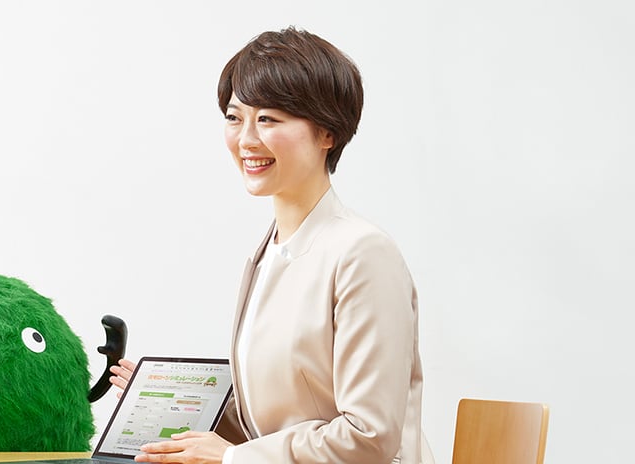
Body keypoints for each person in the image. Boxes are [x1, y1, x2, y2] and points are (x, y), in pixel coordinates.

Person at [111, 27, 435, 464]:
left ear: (327, 132)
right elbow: (269, 428)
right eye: (235, 117)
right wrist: (171, 402)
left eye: (268, 119)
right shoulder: (268, 253)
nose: (246, 139)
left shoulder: (363, 254)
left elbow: (369, 436)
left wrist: (231, 459)